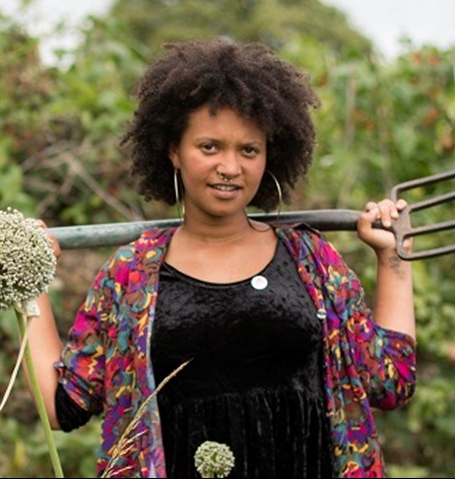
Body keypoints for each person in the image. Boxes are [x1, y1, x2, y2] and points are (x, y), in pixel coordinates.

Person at [24, 40, 417, 478]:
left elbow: (391, 380)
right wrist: (30, 281)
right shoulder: (130, 277)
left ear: (270, 156)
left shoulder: (311, 261)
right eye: (209, 147)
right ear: (173, 150)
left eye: (248, 150)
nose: (230, 167)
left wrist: (394, 261)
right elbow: (62, 406)